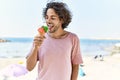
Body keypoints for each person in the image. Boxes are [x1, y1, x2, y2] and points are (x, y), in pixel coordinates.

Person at [26, 2, 83, 80]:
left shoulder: (73, 38)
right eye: (46, 17)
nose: (48, 21)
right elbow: (29, 67)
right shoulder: (40, 38)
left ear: (62, 20)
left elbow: (75, 65)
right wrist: (35, 47)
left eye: (52, 18)